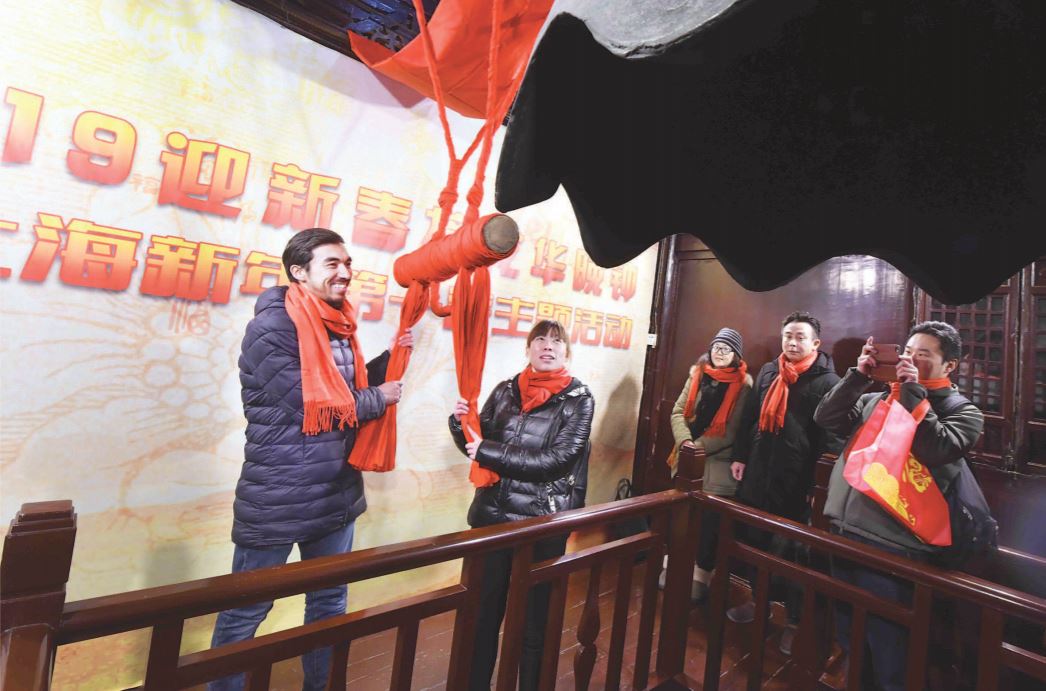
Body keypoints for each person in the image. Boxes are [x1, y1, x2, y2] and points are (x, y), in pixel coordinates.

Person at [209, 228, 411, 691]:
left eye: (347, 263)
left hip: (335, 493)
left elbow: (342, 388)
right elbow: (310, 405)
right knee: (247, 610)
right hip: (278, 497)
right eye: (332, 263)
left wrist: (391, 360)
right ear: (299, 272)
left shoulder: (338, 323)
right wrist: (379, 397)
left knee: (329, 604)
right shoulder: (272, 329)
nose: (345, 272)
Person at [815, 321, 984, 691]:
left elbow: (934, 449)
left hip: (895, 550)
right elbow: (826, 418)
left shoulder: (964, 412)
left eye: (922, 355)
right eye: (907, 352)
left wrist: (911, 391)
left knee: (892, 653)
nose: (910, 359)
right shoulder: (877, 399)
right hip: (844, 533)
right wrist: (858, 377)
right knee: (850, 639)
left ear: (949, 365)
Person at [449, 319, 594, 691]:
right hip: (492, 520)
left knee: (535, 624)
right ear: (528, 348)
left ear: (566, 351)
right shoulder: (505, 390)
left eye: (556, 341)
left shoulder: (579, 399)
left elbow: (555, 461)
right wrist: (459, 422)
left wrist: (486, 449)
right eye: (539, 339)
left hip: (541, 524)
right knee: (481, 618)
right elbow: (477, 443)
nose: (547, 346)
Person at [728, 311, 842, 655]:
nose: (792, 343)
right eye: (788, 336)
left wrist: (819, 489)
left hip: (798, 483)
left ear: (816, 343)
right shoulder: (768, 371)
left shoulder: (828, 382)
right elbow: (749, 417)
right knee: (756, 540)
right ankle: (758, 602)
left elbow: (832, 441)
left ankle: (794, 621)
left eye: (800, 337)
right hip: (759, 472)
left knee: (794, 554)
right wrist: (740, 456)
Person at [665, 327, 753, 602]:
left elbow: (732, 430)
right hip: (686, 453)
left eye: (727, 349)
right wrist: (685, 443)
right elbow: (678, 412)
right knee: (680, 513)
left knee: (708, 522)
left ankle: (701, 573)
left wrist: (697, 448)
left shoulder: (744, 384)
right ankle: (673, 561)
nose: (720, 352)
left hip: (717, 460)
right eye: (717, 347)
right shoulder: (697, 373)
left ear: (736, 355)